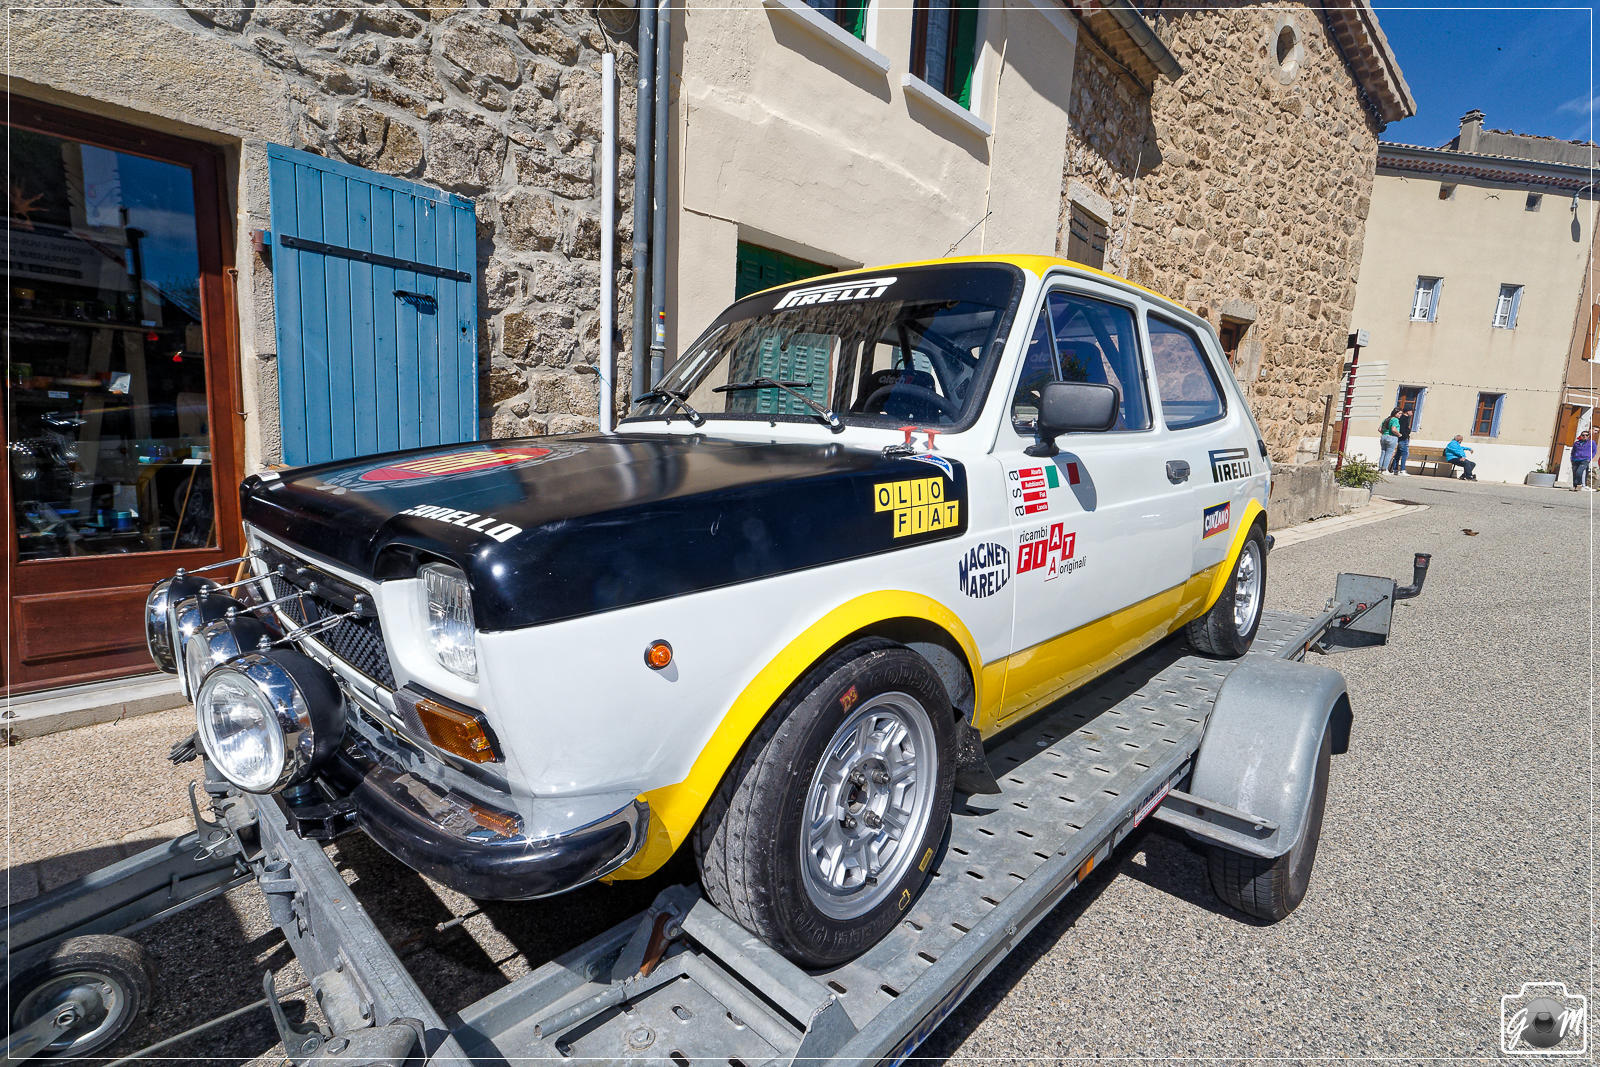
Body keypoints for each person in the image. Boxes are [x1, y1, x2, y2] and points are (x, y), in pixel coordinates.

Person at [1389, 408, 1413, 475]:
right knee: (1405, 454)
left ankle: (1395, 470)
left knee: (1398, 454)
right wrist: (1405, 436)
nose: (1412, 413)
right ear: (1407, 411)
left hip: (1401, 438)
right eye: (1411, 411)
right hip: (1403, 439)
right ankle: (1402, 470)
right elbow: (1402, 429)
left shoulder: (1402, 418)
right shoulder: (1404, 418)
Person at [1377, 408, 1401, 474]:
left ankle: (1380, 469)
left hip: (1384, 436)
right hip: (1392, 437)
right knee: (1389, 454)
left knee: (1383, 453)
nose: (1400, 415)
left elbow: (1379, 429)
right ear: (1395, 413)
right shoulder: (1395, 420)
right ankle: (1384, 470)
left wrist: (1385, 433)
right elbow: (1393, 429)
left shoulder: (1386, 419)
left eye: (1401, 413)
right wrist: (1399, 434)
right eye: (1399, 413)